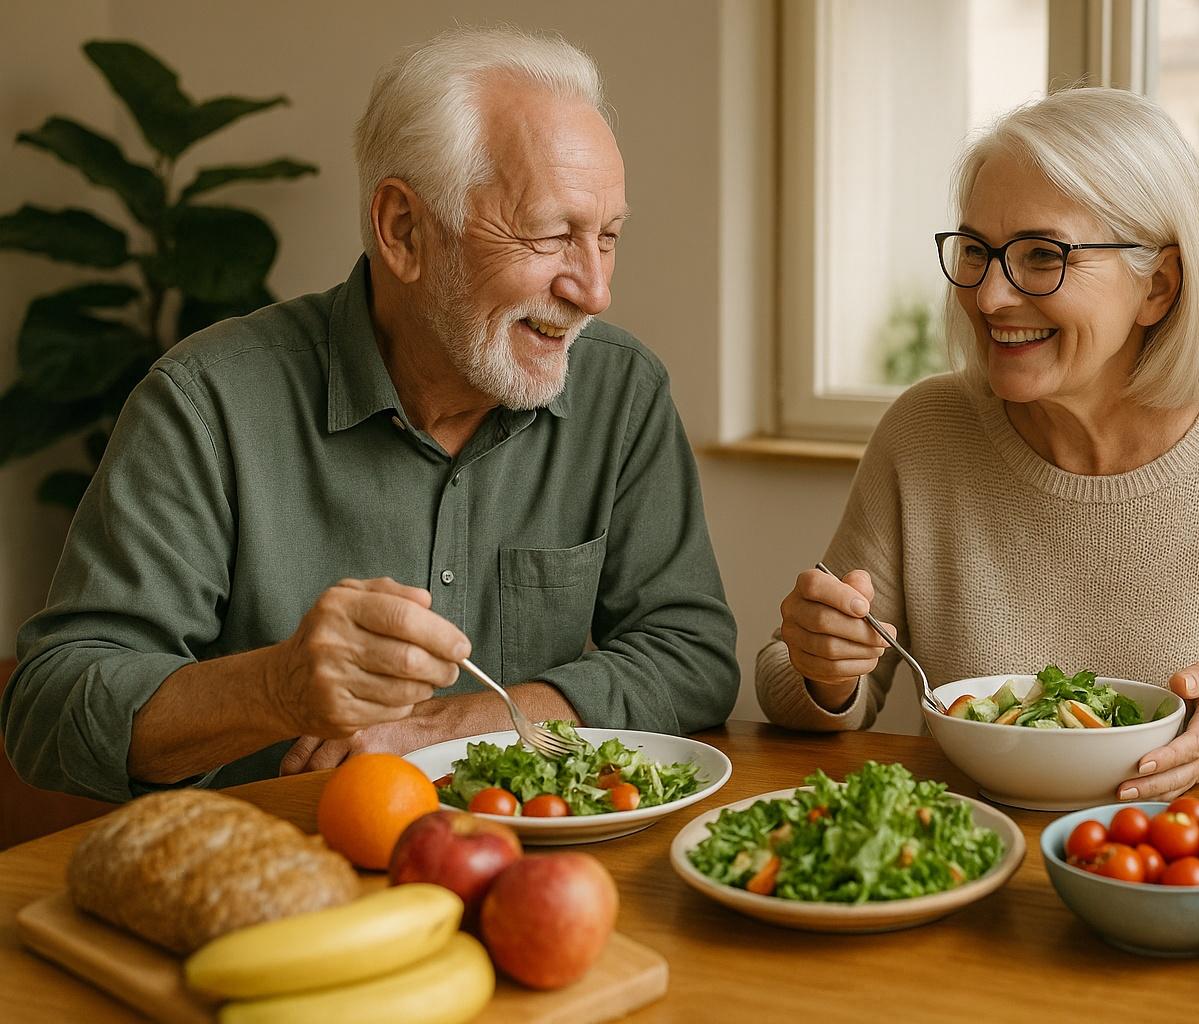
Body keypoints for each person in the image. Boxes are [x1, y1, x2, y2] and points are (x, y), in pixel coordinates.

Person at [2, 27, 738, 802]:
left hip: (538, 875)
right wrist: (276, 688)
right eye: (552, 235)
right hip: (276, 882)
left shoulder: (620, 391)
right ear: (403, 230)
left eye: (608, 239)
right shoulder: (206, 401)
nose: (593, 290)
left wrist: (453, 726)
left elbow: (690, 655)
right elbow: (51, 707)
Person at [757, 88, 1199, 797]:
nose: (989, 297)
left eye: (1043, 256)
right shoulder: (926, 432)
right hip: (972, 864)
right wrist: (824, 669)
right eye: (977, 251)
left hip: (1178, 882)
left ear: (1159, 286)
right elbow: (792, 684)